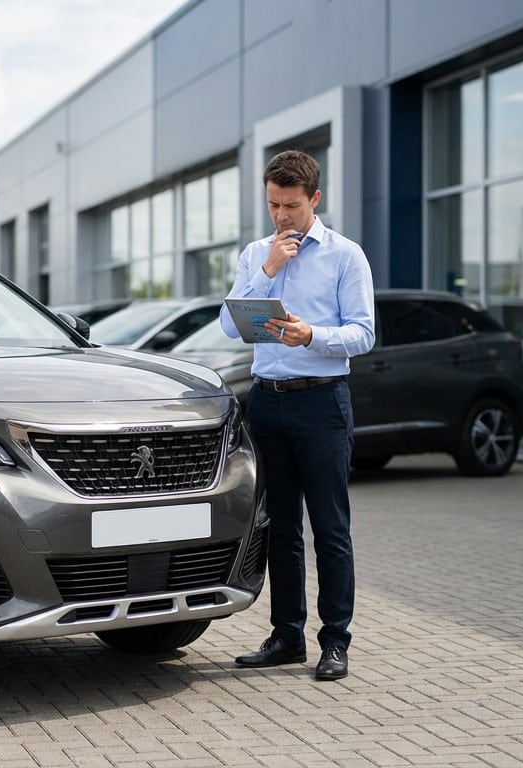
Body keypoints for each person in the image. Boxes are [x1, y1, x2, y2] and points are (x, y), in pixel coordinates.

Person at [219, 149, 375, 681]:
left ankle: (335, 642)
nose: (281, 216)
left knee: (330, 527)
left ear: (315, 199)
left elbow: (364, 333)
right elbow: (229, 324)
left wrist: (313, 335)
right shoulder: (256, 255)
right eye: (273, 205)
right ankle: (287, 636)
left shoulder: (345, 256)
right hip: (267, 400)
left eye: (291, 205)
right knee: (280, 526)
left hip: (321, 401)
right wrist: (269, 269)